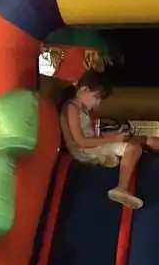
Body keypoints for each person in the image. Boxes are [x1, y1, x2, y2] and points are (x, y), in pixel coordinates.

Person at [60, 70, 144, 210]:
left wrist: (115, 134)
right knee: (132, 148)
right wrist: (114, 138)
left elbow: (93, 137)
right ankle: (121, 187)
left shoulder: (83, 110)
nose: (97, 103)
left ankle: (121, 185)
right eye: (95, 97)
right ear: (84, 90)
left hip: (90, 149)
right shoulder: (72, 108)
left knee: (133, 145)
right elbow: (81, 142)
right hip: (83, 151)